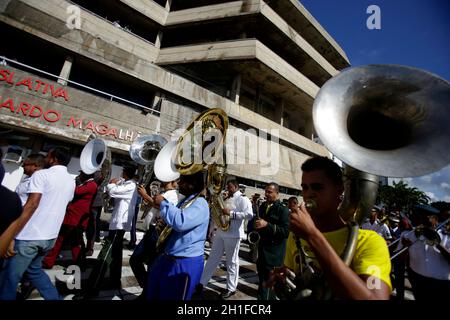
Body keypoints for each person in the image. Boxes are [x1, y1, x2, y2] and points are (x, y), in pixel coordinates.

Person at [273, 156, 392, 300]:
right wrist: (282, 281)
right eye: (305, 187)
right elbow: (292, 277)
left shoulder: (370, 241)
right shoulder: (296, 235)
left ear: (339, 189)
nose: (309, 193)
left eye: (318, 187)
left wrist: (312, 236)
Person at [0, 147, 76, 300]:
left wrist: (12, 234)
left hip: (29, 236)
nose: (45, 158)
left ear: (53, 159)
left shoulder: (42, 174)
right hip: (49, 237)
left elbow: (31, 205)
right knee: (34, 271)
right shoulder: (70, 181)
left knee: (8, 279)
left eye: (47, 156)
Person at [74, 165, 137, 299]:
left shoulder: (131, 185)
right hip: (117, 222)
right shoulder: (126, 183)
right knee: (116, 253)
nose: (120, 173)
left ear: (126, 173)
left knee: (105, 253)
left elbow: (113, 192)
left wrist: (111, 184)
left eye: (122, 171)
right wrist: (115, 184)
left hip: (120, 224)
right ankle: (115, 280)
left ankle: (92, 287)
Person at [146, 171, 209, 300]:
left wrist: (164, 203)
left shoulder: (201, 204)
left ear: (193, 184)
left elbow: (181, 222)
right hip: (170, 257)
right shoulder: (186, 201)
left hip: (184, 262)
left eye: (183, 180)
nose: (178, 183)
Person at [197, 180, 253, 299]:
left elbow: (249, 214)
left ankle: (231, 288)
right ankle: (202, 283)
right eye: (227, 187)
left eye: (230, 187)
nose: (228, 189)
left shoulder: (243, 199)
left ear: (236, 187)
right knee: (212, 258)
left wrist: (232, 214)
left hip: (233, 234)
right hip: (221, 232)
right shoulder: (227, 198)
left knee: (232, 262)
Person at [131, 179, 182, 298]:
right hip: (151, 230)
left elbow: (161, 207)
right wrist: (147, 199)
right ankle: (149, 289)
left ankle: (149, 292)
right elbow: (153, 205)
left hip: (159, 233)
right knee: (136, 260)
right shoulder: (163, 192)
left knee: (149, 265)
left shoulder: (173, 194)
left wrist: (145, 195)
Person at [42, 171, 98, 269]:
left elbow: (76, 192)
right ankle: (80, 263)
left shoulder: (91, 185)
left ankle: (49, 261)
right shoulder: (87, 184)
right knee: (74, 242)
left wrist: (76, 182)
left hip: (76, 217)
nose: (79, 175)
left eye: (81, 174)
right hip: (73, 217)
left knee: (66, 240)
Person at [399, 204, 450, 300]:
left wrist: (438, 244)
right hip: (418, 281)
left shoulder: (446, 236)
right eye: (419, 218)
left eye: (425, 219)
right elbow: (401, 259)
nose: (421, 222)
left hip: (441, 285)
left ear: (435, 219)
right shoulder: (411, 234)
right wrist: (405, 248)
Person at [254, 182, 289, 300]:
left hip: (274, 255)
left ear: (277, 193)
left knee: (269, 288)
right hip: (262, 252)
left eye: (270, 192)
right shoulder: (263, 206)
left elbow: (285, 232)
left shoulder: (283, 210)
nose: (267, 194)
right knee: (262, 283)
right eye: (266, 191)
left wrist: (266, 225)